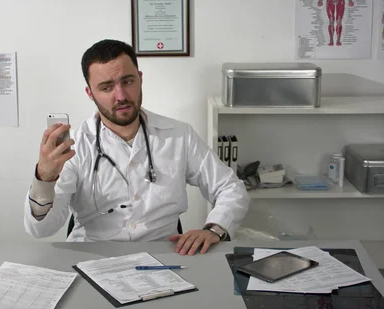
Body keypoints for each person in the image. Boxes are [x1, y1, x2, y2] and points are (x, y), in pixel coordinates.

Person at [24, 39, 249, 255]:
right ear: (90, 93)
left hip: (163, 256)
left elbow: (231, 188)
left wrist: (215, 228)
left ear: (140, 78)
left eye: (128, 81)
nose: (121, 96)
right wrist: (44, 178)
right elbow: (40, 230)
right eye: (106, 87)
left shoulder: (179, 135)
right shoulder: (74, 146)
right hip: (92, 257)